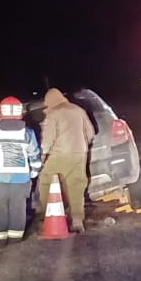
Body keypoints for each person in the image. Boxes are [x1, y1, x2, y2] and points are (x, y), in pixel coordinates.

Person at [0, 96, 42, 242]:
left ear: (1, 113)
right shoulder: (28, 133)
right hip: (21, 180)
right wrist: (33, 172)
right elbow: (34, 154)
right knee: (18, 209)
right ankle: (15, 242)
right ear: (21, 113)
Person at [37, 87, 96, 233]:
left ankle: (49, 216)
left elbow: (48, 139)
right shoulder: (78, 110)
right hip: (79, 154)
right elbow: (91, 133)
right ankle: (77, 221)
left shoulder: (53, 114)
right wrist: (82, 146)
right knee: (76, 186)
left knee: (45, 181)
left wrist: (43, 156)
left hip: (59, 154)